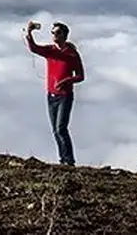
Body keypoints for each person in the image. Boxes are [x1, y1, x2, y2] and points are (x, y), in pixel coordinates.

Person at [24, 19, 84, 166]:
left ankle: (69, 161)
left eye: (57, 33)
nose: (54, 35)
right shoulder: (51, 50)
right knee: (56, 131)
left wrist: (66, 81)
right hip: (51, 95)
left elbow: (81, 76)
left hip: (65, 96)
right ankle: (63, 160)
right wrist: (29, 32)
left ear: (65, 35)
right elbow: (33, 48)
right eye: (53, 33)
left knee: (60, 128)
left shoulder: (71, 54)